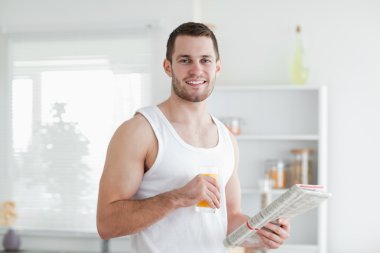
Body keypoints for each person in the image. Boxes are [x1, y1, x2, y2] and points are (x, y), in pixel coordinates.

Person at [97, 22, 290, 253]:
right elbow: (106, 223)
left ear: (217, 67)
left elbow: (230, 220)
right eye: (185, 60)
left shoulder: (227, 140)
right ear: (168, 67)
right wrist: (176, 198)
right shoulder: (140, 131)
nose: (196, 70)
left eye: (205, 60)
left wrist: (262, 233)